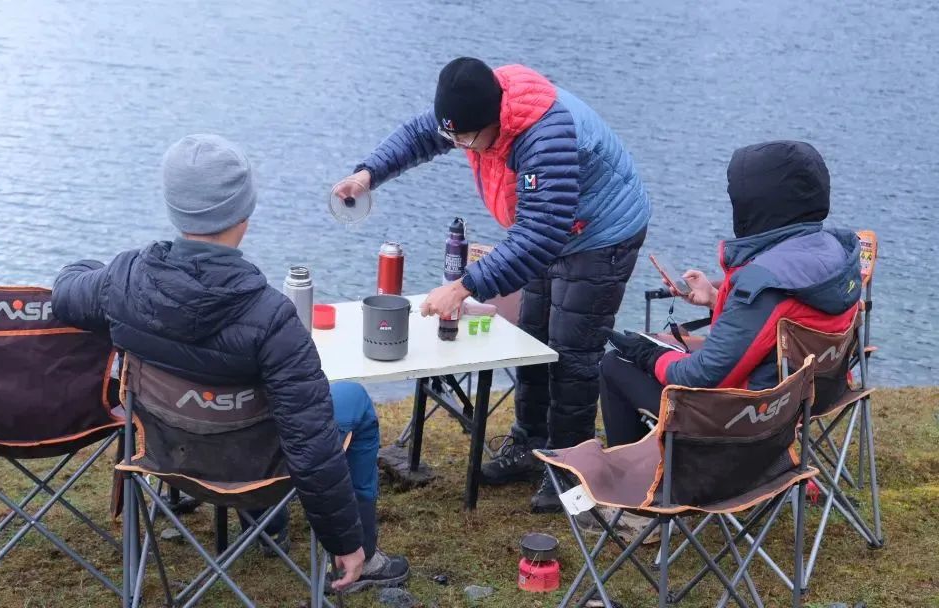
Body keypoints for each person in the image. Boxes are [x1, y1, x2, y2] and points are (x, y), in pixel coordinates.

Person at [51, 134, 409, 593]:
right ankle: (363, 554)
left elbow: (65, 292)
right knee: (352, 400)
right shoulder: (273, 317)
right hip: (253, 464)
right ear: (245, 214)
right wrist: (345, 541)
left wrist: (95, 268)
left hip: (165, 455)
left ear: (174, 208)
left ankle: (267, 527)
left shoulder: (123, 281)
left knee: (251, 408)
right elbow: (311, 442)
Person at [333, 57, 651, 512]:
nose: (459, 145)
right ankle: (530, 444)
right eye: (454, 137)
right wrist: (367, 174)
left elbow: (541, 235)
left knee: (572, 352)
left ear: (495, 120)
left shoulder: (545, 137)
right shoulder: (473, 102)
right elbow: (420, 135)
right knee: (533, 338)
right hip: (554, 228)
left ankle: (571, 472)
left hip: (602, 235)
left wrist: (463, 286)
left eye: (466, 139)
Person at [602, 140, 862, 449]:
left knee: (615, 364)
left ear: (761, 203)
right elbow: (776, 324)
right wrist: (716, 298)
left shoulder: (766, 283)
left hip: (745, 420)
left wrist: (648, 354)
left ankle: (641, 471)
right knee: (660, 354)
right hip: (807, 399)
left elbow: (699, 377)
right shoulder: (834, 251)